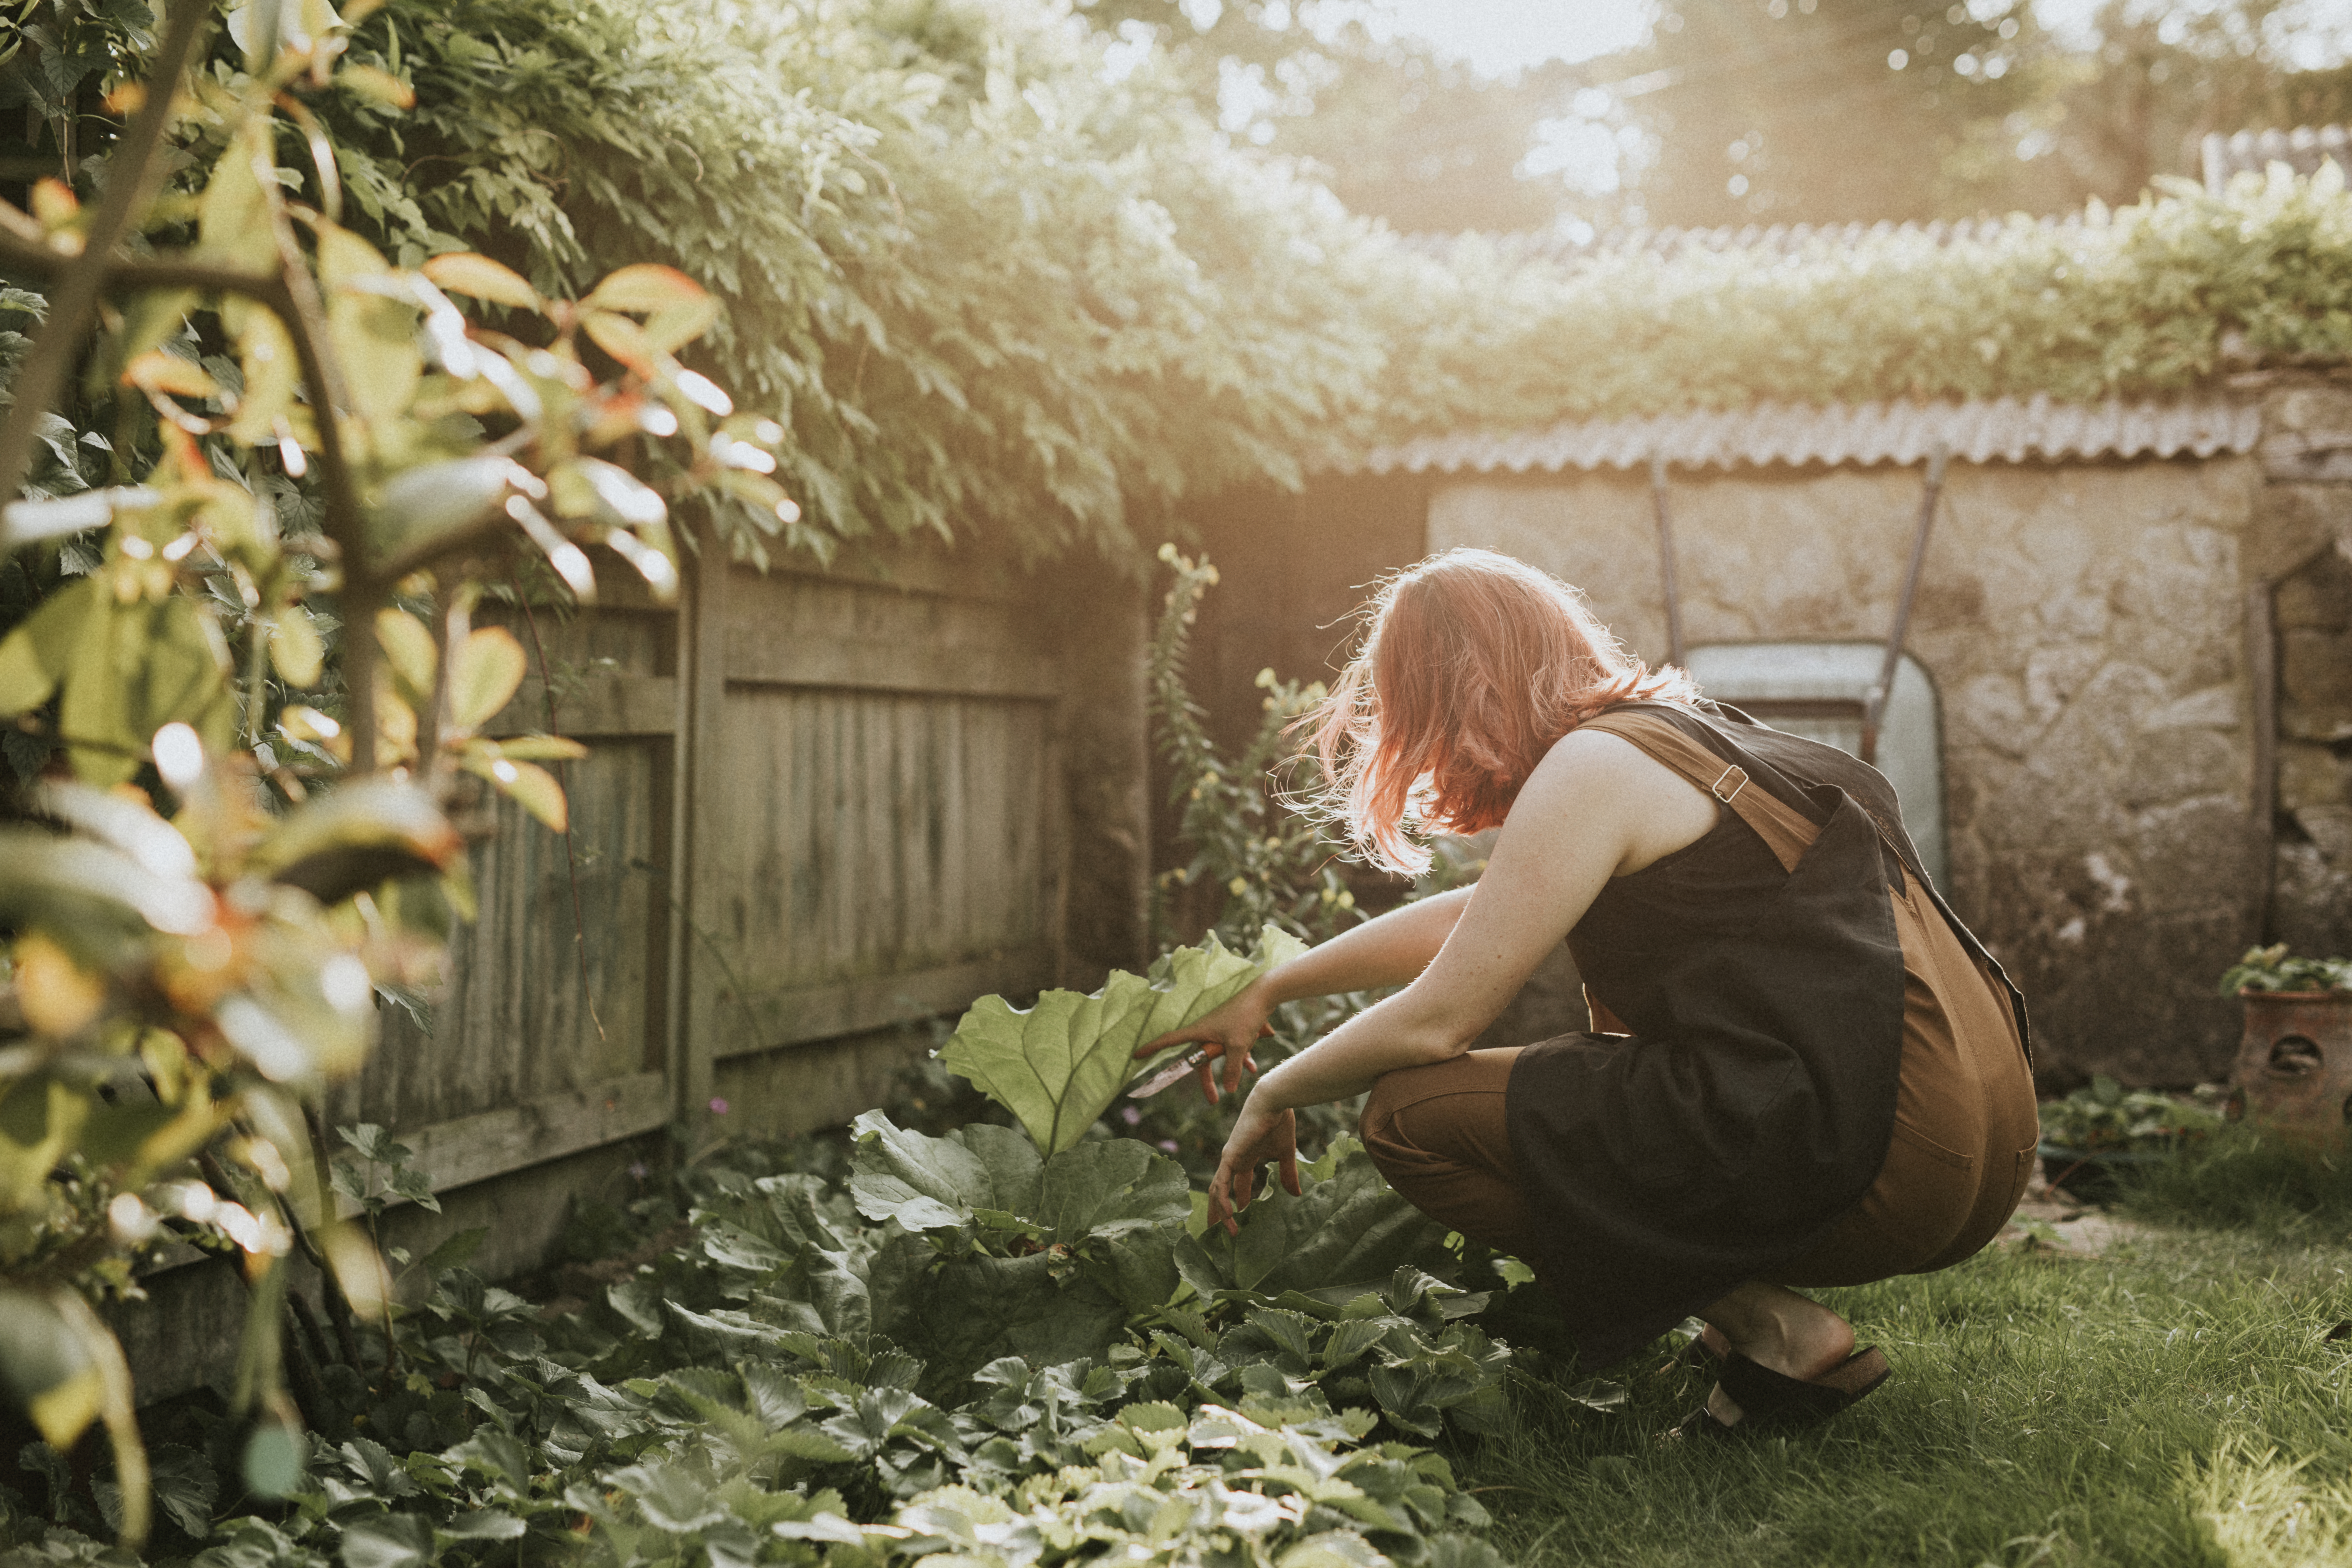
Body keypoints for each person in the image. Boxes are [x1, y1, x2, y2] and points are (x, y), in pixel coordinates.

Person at [1136, 548, 2035, 1436]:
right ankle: (1735, 1328)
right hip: (1979, 1150)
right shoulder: (1674, 738)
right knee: (1584, 1082)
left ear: (1465, 692)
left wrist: (1276, 1088)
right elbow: (1486, 913)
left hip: (1889, 1162)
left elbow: (1438, 1021)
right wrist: (1274, 986)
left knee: (1409, 1115)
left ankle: (1775, 1331)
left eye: (1415, 714)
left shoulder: (1592, 766)